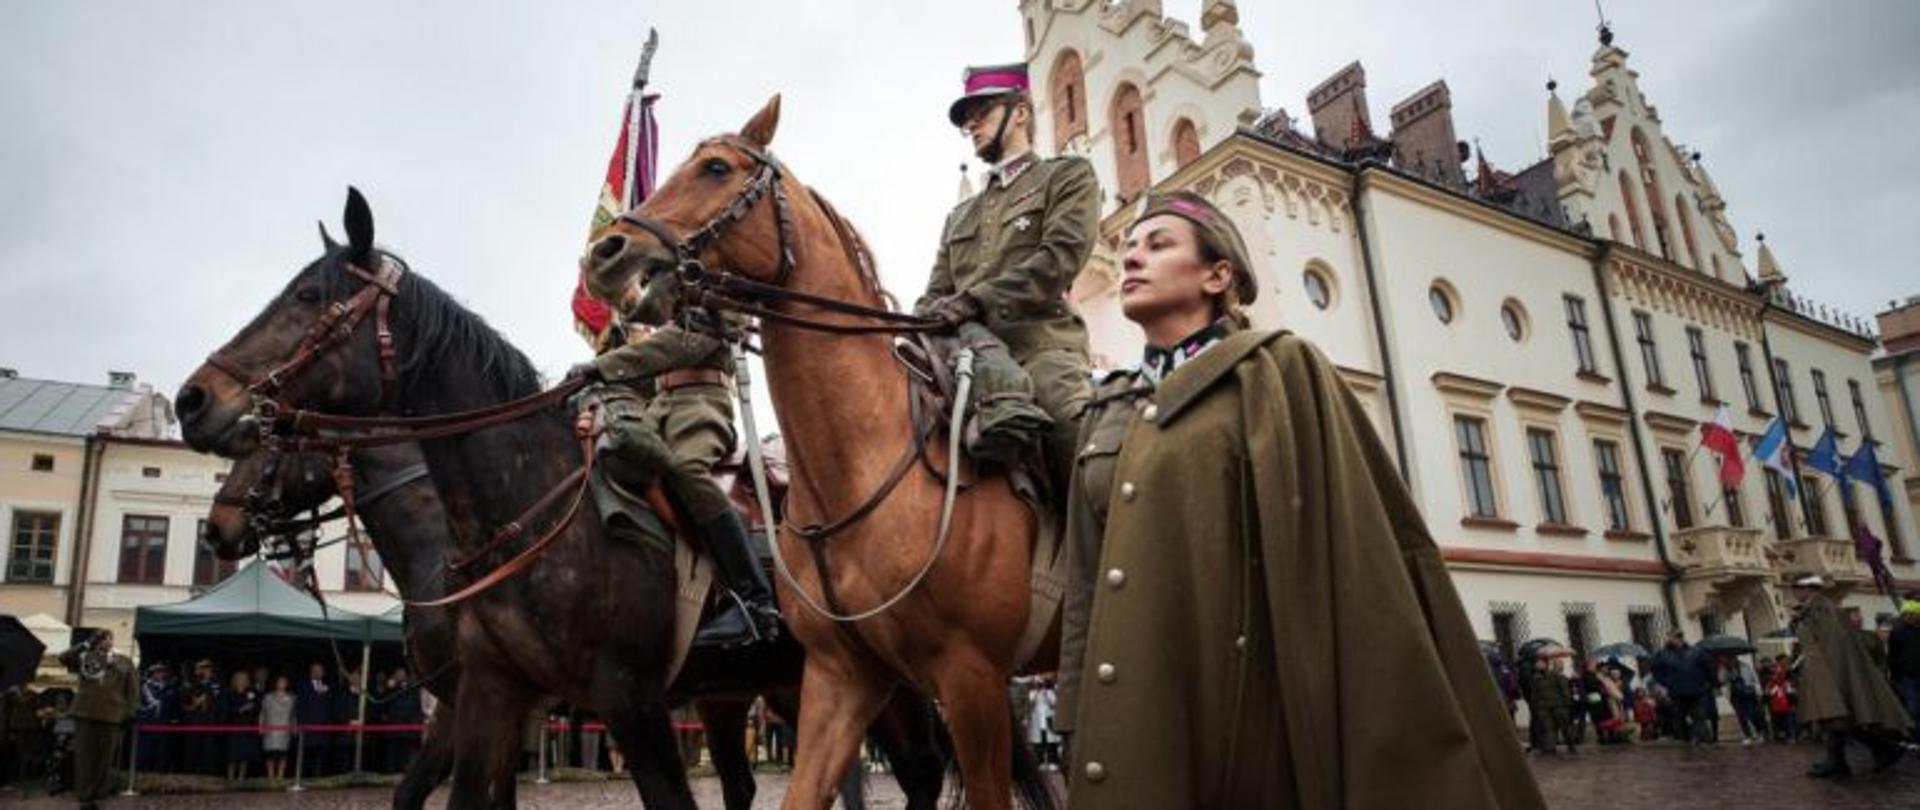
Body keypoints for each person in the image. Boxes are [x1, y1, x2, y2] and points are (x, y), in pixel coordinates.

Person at [1055, 191, 1543, 807]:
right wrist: (1077, 712)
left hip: (1247, 714)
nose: (1131, 259)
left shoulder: (1280, 371)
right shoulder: (1109, 407)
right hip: (1138, 704)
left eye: (1158, 245)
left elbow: (1355, 561)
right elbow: (1087, 585)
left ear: (1217, 275)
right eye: (1128, 248)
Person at [915, 61, 1100, 499]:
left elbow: (1060, 259)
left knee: (1080, 445)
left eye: (981, 112)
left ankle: (1119, 550)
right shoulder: (960, 215)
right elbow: (935, 293)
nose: (972, 125)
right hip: (961, 355)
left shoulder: (1066, 176)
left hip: (1039, 348)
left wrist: (976, 301)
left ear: (1019, 112)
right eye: (966, 120)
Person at [573, 261, 779, 648]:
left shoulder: (724, 282)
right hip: (658, 405)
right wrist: (609, 280)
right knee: (608, 456)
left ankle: (755, 602)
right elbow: (644, 312)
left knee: (686, 469)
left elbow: (682, 342)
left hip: (701, 401)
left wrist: (600, 366)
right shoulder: (675, 279)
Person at [1791, 574, 1912, 778]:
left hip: (1833, 672)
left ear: (1809, 589)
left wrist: (1828, 674)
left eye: (1796, 587)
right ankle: (1841, 760)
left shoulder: (1821, 609)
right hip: (1829, 671)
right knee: (1838, 719)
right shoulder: (1816, 609)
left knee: (1839, 717)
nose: (1793, 592)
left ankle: (1882, 750)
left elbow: (1832, 646)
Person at [56, 630, 136, 810]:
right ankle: (84, 795)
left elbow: (132, 690)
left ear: (113, 641)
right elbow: (63, 658)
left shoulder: (124, 661)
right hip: (86, 713)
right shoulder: (85, 657)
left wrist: (130, 713)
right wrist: (86, 644)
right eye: (101, 638)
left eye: (108, 638)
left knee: (104, 757)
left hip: (112, 715)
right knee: (84, 756)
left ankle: (98, 792)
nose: (105, 641)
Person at [1650, 631, 1716, 745]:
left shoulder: (1696, 651)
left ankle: (1699, 739)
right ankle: (1687, 738)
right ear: (1669, 639)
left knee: (1699, 717)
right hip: (1677, 692)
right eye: (1674, 637)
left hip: (1697, 691)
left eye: (1679, 637)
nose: (1677, 640)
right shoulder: (1662, 654)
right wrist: (1666, 682)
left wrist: (1710, 683)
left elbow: (1708, 668)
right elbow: (1655, 670)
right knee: (1679, 718)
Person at [1527, 657, 1576, 755]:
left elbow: (1565, 691)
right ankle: (1550, 748)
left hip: (1559, 706)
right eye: (1537, 664)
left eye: (1540, 663)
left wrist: (1567, 704)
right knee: (1548, 728)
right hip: (1544, 708)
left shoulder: (1556, 676)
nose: (1538, 665)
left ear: (1546, 664)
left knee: (1565, 727)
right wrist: (1535, 705)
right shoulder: (1536, 678)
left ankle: (1571, 746)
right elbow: (1534, 694)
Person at [1889, 598, 1920, 742]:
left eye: (1911, 614)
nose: (1908, 617)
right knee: (1912, 708)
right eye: (1906, 614)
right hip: (1907, 677)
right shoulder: (1897, 632)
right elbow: (1892, 655)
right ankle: (1911, 737)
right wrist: (1895, 675)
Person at [221, 670, 260, 781]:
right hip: (233, 728)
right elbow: (225, 710)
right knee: (232, 756)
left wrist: (252, 707)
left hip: (247, 728)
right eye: (239, 678)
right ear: (234, 680)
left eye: (244, 678)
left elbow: (258, 705)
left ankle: (241, 778)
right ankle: (230, 778)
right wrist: (240, 709)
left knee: (245, 755)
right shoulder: (229, 692)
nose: (242, 680)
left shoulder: (252, 692)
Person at [260, 675, 295, 785]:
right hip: (270, 728)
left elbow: (294, 715)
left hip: (285, 729)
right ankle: (271, 776)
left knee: (283, 754)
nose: (282, 683)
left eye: (284, 681)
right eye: (280, 681)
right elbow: (262, 713)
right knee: (269, 754)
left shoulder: (292, 698)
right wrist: (261, 726)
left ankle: (280, 776)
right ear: (275, 683)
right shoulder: (268, 697)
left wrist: (294, 727)